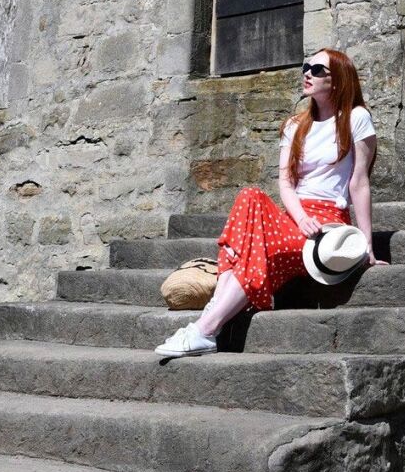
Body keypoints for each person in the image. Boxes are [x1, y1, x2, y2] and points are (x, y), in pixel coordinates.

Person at [156, 47, 379, 358]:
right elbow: (286, 184)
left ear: (338, 80)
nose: (307, 74)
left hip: (327, 221)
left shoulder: (356, 118)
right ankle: (207, 327)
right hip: (296, 215)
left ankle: (205, 326)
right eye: (305, 67)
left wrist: (366, 245)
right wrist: (300, 218)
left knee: (248, 251)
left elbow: (359, 182)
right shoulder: (294, 125)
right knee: (250, 196)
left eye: (316, 70)